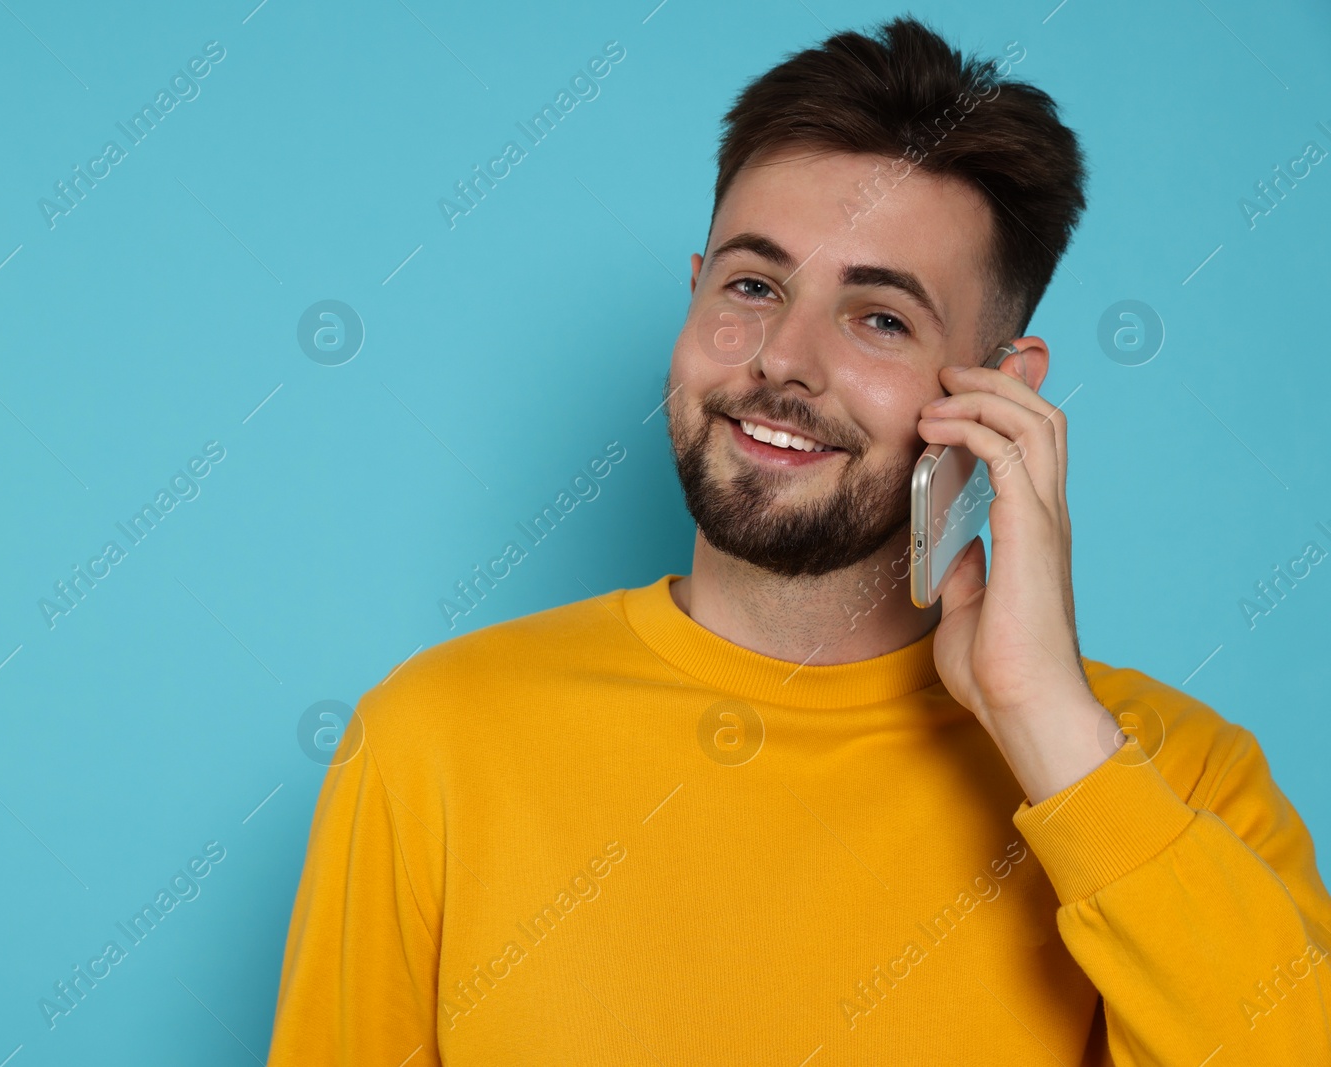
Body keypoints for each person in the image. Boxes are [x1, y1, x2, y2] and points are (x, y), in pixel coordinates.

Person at [265, 15, 1331, 1064]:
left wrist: (1046, 721)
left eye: (879, 317)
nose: (782, 356)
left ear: (1001, 392)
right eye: (753, 284)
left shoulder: (1175, 780)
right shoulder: (432, 741)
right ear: (695, 296)